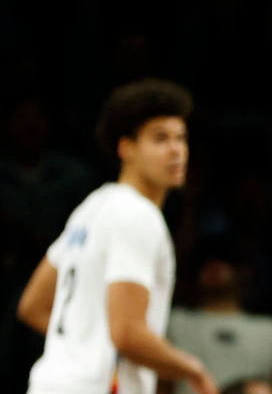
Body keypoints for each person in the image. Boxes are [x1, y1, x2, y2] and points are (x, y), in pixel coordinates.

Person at [16, 78, 219, 394]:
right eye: (160, 138)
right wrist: (194, 369)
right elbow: (127, 333)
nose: (176, 150)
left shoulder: (93, 207)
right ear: (126, 148)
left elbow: (32, 305)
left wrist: (84, 345)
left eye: (182, 138)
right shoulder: (137, 215)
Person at [165, 249, 272, 394]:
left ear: (245, 273)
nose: (216, 265)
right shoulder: (176, 322)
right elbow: (160, 384)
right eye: (206, 262)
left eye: (227, 261)